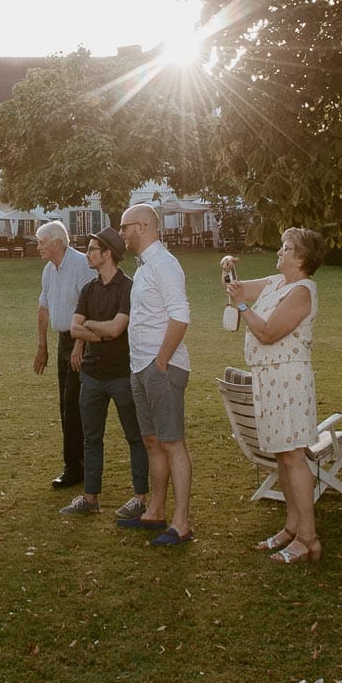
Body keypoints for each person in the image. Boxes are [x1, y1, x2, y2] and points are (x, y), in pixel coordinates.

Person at [224, 228, 329, 563]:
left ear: (300, 258)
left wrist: (242, 305)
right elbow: (236, 291)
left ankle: (309, 539)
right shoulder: (275, 283)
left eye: (286, 248)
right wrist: (229, 271)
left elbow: (268, 332)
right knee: (283, 456)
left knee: (294, 455)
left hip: (289, 379)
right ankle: (292, 527)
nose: (279, 252)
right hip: (269, 379)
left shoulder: (302, 292)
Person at [116, 203, 194, 547]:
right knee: (153, 441)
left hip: (161, 367)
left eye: (124, 227)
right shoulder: (145, 266)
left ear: (142, 227)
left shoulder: (164, 265)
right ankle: (155, 513)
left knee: (173, 442)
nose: (121, 234)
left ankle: (181, 523)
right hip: (140, 366)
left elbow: (180, 317)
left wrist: (161, 362)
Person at [60, 226, 148, 519]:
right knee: (91, 438)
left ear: (107, 254)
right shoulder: (88, 289)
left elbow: (117, 329)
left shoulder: (129, 287)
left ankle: (139, 498)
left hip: (123, 373)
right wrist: (103, 329)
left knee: (135, 437)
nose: (87, 255)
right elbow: (75, 329)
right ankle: (90, 498)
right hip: (92, 375)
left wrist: (94, 327)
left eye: (92, 250)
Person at [33, 220, 92, 489]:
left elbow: (89, 309)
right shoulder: (49, 270)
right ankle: (75, 465)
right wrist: (42, 347)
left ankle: (76, 468)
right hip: (62, 342)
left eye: (42, 243)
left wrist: (79, 345)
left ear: (58, 242)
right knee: (65, 405)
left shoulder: (81, 265)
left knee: (75, 405)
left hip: (82, 342)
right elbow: (44, 308)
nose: (38, 247)